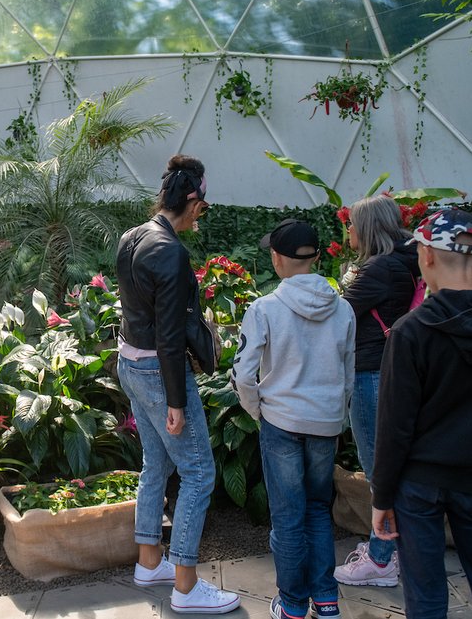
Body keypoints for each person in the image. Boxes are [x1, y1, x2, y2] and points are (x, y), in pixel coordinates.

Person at [371, 209, 472, 619]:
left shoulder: (411, 332)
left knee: (426, 603)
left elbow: (394, 426)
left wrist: (382, 497)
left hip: (419, 486)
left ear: (425, 255)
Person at [115, 155, 240, 615]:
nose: (200, 218)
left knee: (156, 464)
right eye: (201, 209)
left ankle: (151, 562)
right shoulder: (169, 251)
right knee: (199, 473)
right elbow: (169, 336)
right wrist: (176, 400)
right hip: (157, 371)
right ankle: (186, 587)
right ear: (191, 200)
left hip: (130, 363)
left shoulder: (133, 236)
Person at [231, 219, 355, 619]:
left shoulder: (264, 308)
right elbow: (348, 374)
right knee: (319, 510)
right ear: (318, 257)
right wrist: (335, 415)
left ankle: (293, 605)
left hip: (281, 423)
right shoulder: (345, 309)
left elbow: (242, 373)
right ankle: (327, 599)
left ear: (277, 259)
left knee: (287, 516)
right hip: (325, 424)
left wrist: (259, 410)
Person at [333, 194, 419, 587]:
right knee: (389, 470)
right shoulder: (403, 263)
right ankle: (395, 553)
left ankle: (382, 560)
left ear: (367, 228)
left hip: (370, 375)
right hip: (389, 373)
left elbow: (337, 316)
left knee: (378, 473)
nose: (348, 229)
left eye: (352, 223)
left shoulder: (379, 270)